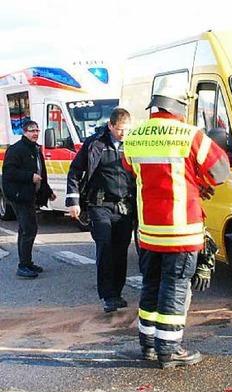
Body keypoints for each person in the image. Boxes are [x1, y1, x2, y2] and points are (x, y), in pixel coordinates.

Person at [123, 79, 230, 368]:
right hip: (182, 230)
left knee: (151, 283)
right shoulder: (189, 135)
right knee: (175, 286)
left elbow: (132, 168)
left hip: (148, 230)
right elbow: (220, 171)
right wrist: (199, 181)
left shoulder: (134, 136)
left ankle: (147, 344)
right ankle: (170, 349)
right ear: (181, 105)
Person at [66, 108, 135, 313]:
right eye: (120, 130)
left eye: (127, 130)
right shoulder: (95, 143)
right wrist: (73, 201)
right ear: (111, 126)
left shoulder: (132, 144)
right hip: (100, 204)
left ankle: (117, 292)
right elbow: (75, 171)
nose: (124, 134)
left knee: (121, 250)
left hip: (124, 205)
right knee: (105, 248)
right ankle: (108, 296)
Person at [1, 120, 55, 279]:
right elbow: (9, 173)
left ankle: (27, 262)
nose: (35, 133)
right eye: (31, 130)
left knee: (25, 229)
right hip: (19, 195)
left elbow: (41, 174)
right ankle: (23, 265)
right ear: (24, 132)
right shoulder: (17, 150)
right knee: (29, 229)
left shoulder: (36, 149)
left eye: (37, 130)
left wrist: (48, 191)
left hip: (29, 195)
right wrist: (29, 176)